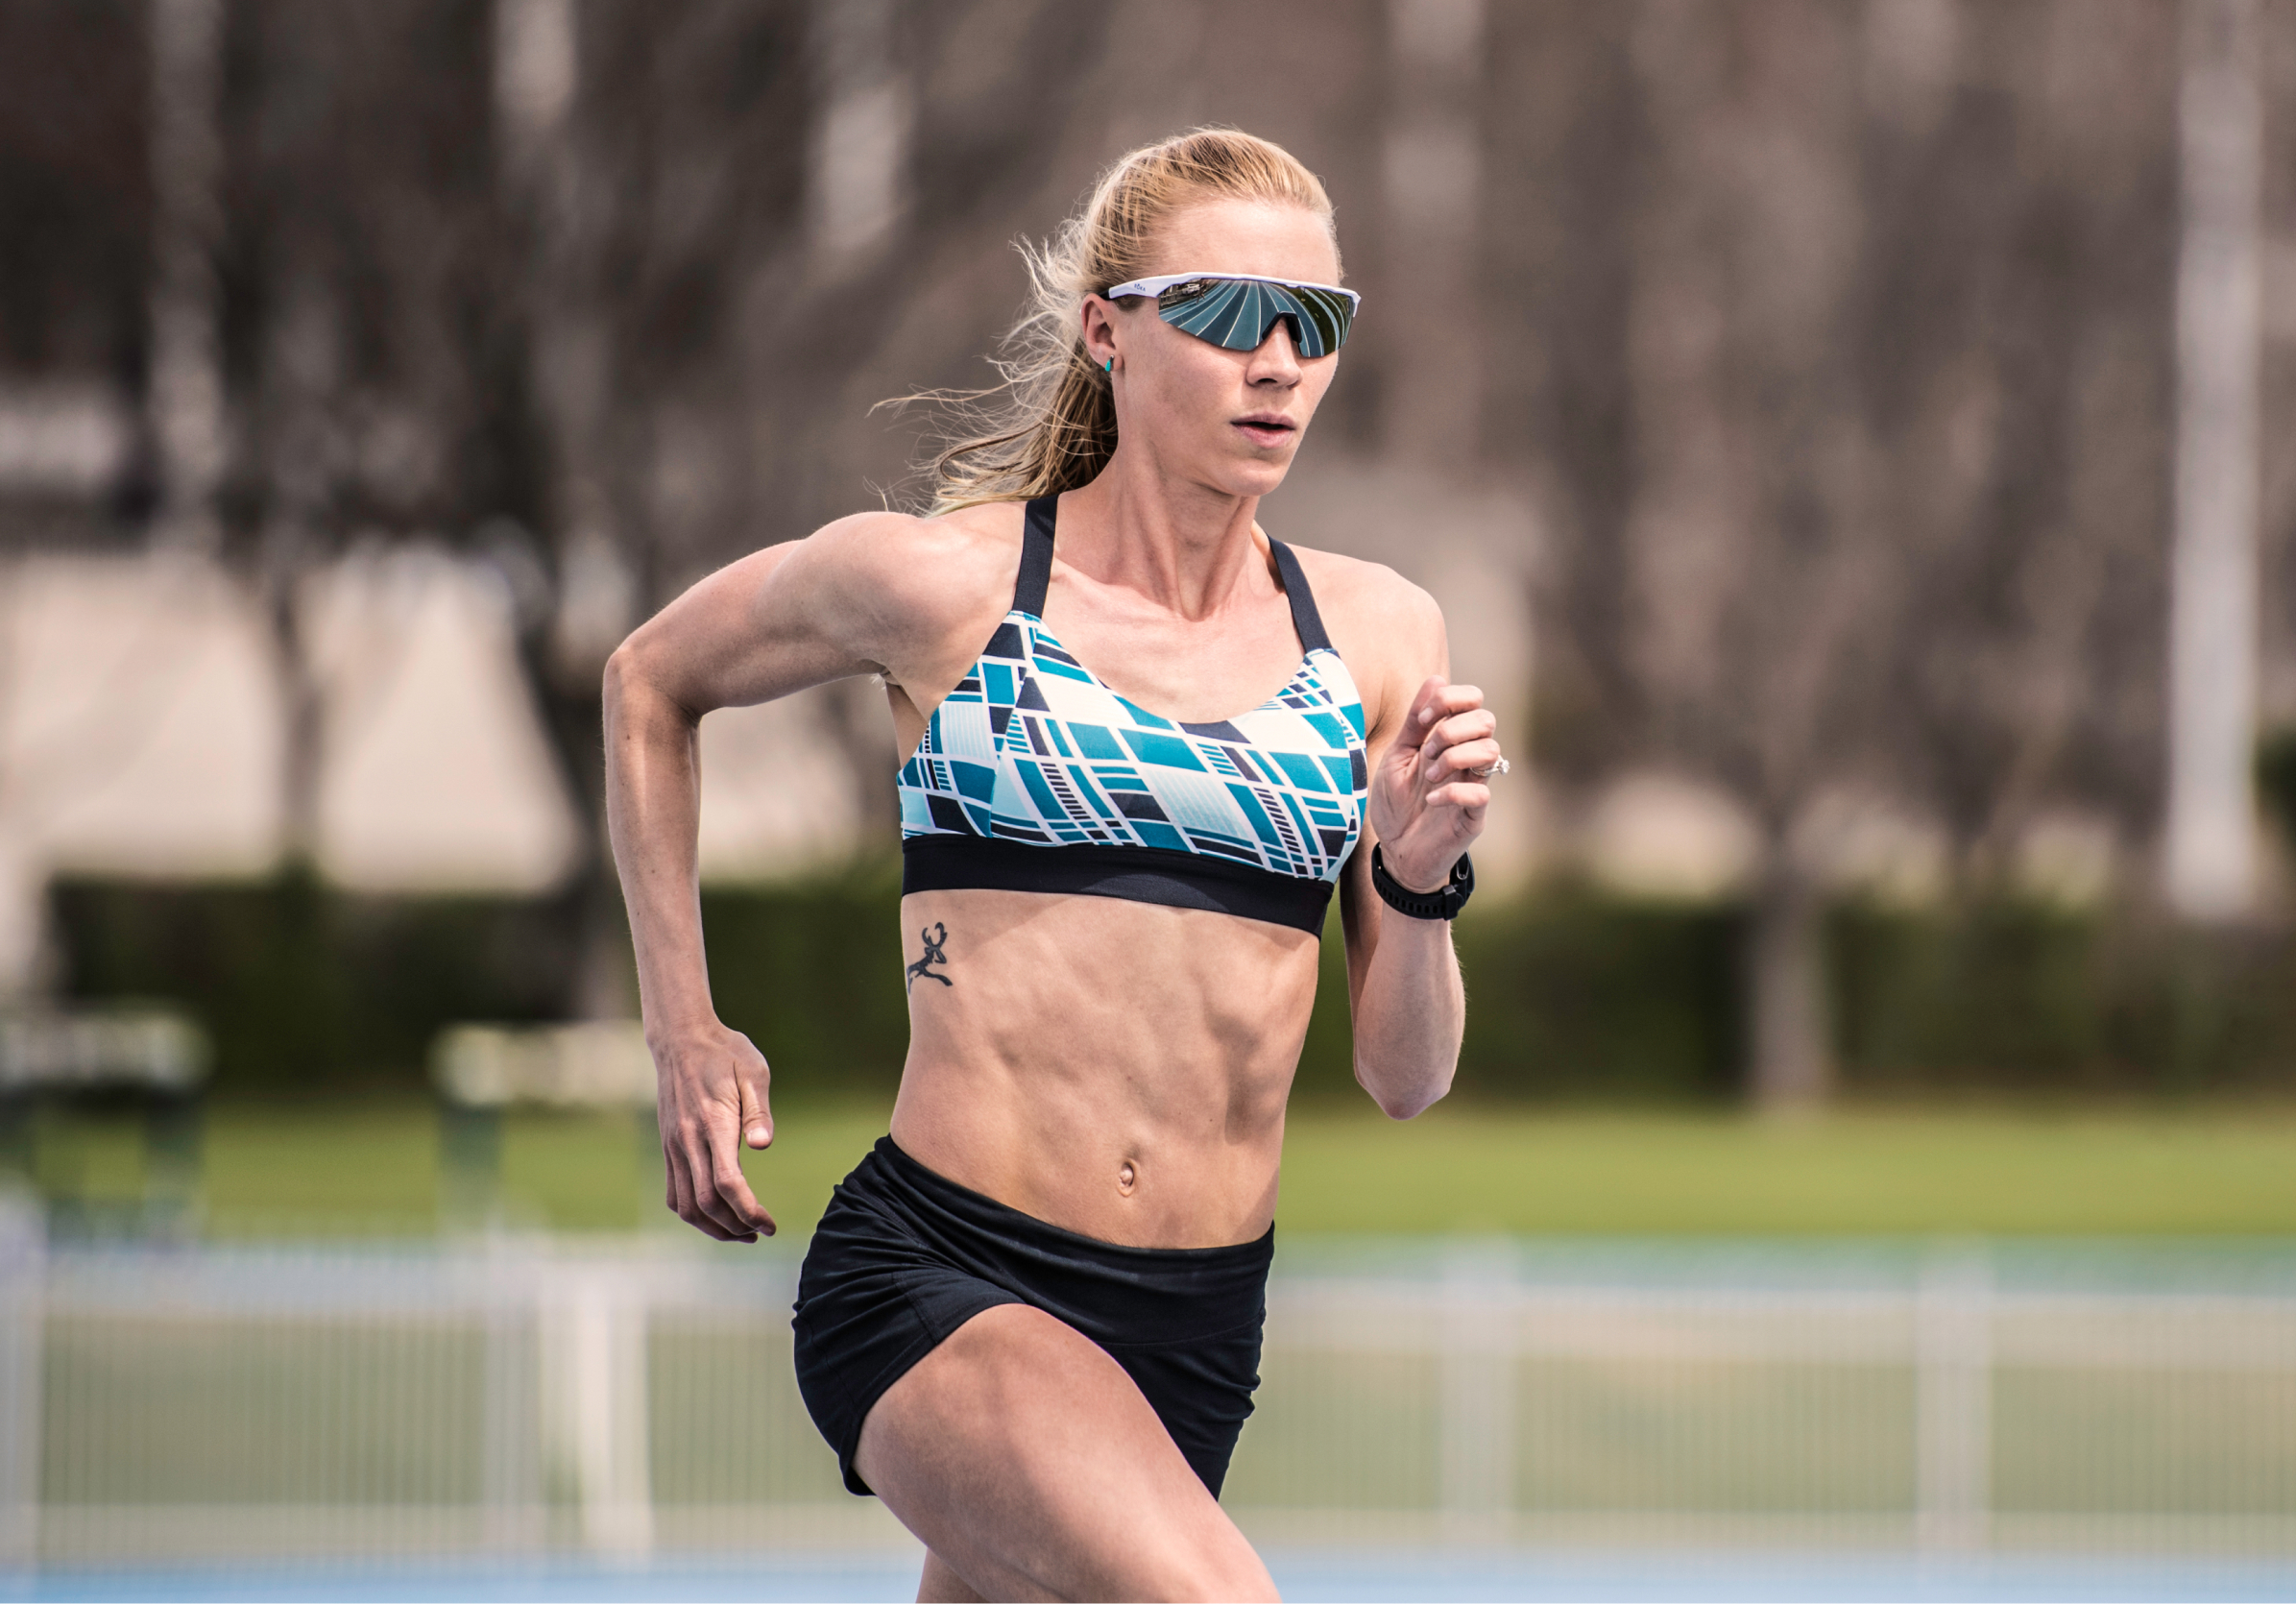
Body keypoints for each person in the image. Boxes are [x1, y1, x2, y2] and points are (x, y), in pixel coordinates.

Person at [604, 128, 1503, 1603]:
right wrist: (681, 1029)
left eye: (1315, 322)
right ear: (1111, 330)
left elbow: (1407, 1076)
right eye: (1223, 310)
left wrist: (1413, 879)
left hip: (1198, 1336)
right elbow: (649, 681)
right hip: (946, 1277)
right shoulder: (947, 585)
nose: (1277, 359)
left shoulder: (1377, 639)